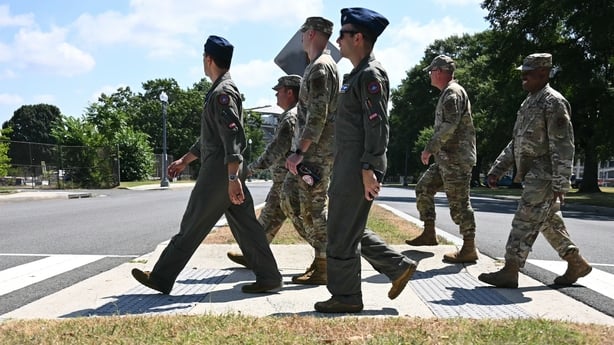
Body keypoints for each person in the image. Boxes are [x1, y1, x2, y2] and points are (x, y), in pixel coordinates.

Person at [131, 35, 282, 294]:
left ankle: (161, 276)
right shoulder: (220, 91)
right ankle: (269, 277)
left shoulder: (222, 93)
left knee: (194, 221)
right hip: (226, 169)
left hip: (220, 172)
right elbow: (210, 137)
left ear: (208, 59)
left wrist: (232, 178)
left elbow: (232, 136)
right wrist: (185, 159)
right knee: (246, 226)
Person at [314, 7, 418, 313]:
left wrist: (369, 167)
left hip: (358, 164)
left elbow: (378, 124)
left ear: (358, 38)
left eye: (343, 34)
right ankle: (397, 267)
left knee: (340, 231)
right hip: (349, 162)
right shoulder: (356, 75)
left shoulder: (371, 75)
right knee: (348, 226)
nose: (338, 39)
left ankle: (346, 296)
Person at [478, 53, 592, 288]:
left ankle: (510, 270)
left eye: (528, 74)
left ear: (544, 73)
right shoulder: (529, 102)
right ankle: (576, 262)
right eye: (522, 74)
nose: (523, 78)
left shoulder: (553, 102)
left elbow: (563, 145)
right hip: (534, 174)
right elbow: (517, 142)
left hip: (545, 175)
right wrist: (497, 169)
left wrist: (561, 183)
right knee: (548, 222)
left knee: (525, 220)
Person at [405, 55, 478, 263]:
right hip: (446, 159)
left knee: (460, 203)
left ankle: (469, 247)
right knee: (423, 188)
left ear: (439, 71)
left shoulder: (452, 93)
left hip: (456, 159)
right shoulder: (448, 92)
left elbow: (450, 125)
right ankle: (429, 233)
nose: (429, 75)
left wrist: (429, 148)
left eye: (431, 71)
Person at [226, 75, 304, 267]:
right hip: (283, 182)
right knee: (267, 219)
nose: (276, 94)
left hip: (290, 184)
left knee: (307, 224)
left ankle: (330, 256)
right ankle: (253, 255)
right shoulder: (293, 114)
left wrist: (251, 169)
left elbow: (276, 150)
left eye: (279, 90)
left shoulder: (291, 117)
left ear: (290, 92)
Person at [283, 16, 339, 285]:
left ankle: (327, 265)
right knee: (305, 206)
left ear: (313, 34)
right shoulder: (320, 66)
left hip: (315, 152)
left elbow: (317, 115)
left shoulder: (319, 68)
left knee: (315, 210)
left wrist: (300, 151)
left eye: (303, 31)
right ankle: (322, 262)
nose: (301, 36)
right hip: (315, 150)